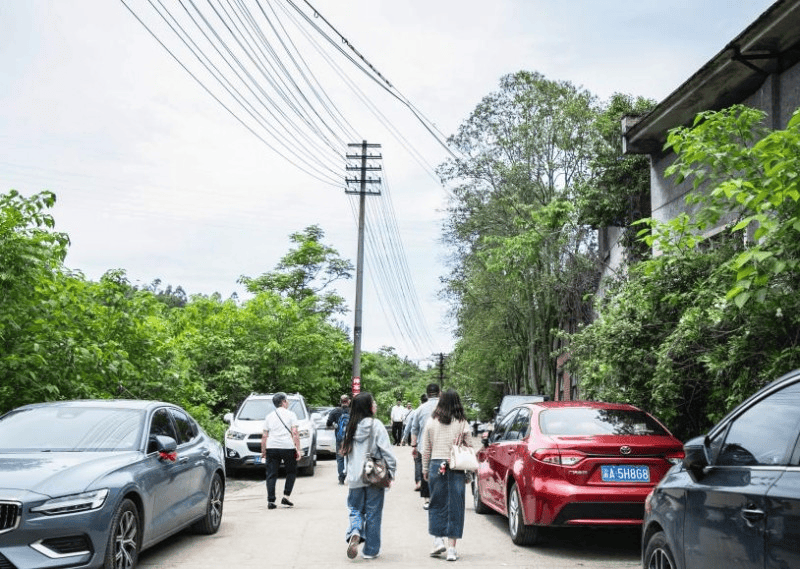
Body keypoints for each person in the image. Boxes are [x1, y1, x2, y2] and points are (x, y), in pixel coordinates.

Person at [341, 392, 397, 560]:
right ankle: (370, 551)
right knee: (373, 513)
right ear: (368, 406)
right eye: (373, 402)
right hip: (374, 475)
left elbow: (346, 454)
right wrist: (391, 472)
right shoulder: (376, 425)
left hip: (355, 476)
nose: (376, 405)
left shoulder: (350, 426)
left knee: (355, 508)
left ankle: (356, 530)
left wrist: (347, 474)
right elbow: (387, 452)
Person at [420, 389, 473, 562]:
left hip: (436, 465)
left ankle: (437, 541)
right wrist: (469, 473)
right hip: (456, 466)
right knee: (455, 506)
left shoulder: (432, 421)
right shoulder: (462, 422)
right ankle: (451, 549)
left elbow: (426, 448)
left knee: (436, 503)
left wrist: (425, 469)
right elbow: (469, 447)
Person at [260, 392, 301, 510]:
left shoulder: (269, 416)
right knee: (291, 472)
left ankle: (271, 501)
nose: (287, 402)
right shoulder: (291, 415)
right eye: (286, 400)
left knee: (271, 474)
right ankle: (286, 497)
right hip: (287, 447)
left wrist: (263, 450)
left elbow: (264, 436)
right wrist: (298, 449)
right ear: (283, 402)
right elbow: (295, 433)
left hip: (272, 447)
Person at [410, 383, 440, 509]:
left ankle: (427, 500)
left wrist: (414, 446)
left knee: (425, 471)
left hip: (424, 446)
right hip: (441, 446)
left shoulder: (420, 409)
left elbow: (414, 429)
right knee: (441, 472)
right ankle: (439, 499)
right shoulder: (444, 407)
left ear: (427, 395)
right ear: (439, 393)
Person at [401, 393, 427, 490]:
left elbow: (411, 428)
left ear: (421, 401)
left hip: (420, 442)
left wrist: (405, 439)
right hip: (432, 442)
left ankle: (419, 482)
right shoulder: (434, 411)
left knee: (418, 461)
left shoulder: (416, 411)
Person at [327, 394, 351, 484]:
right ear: (348, 401)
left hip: (339, 438)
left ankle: (341, 479)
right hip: (350, 439)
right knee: (350, 458)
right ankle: (350, 476)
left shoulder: (335, 411)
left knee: (340, 458)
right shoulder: (353, 412)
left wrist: (334, 424)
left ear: (340, 402)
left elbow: (328, 423)